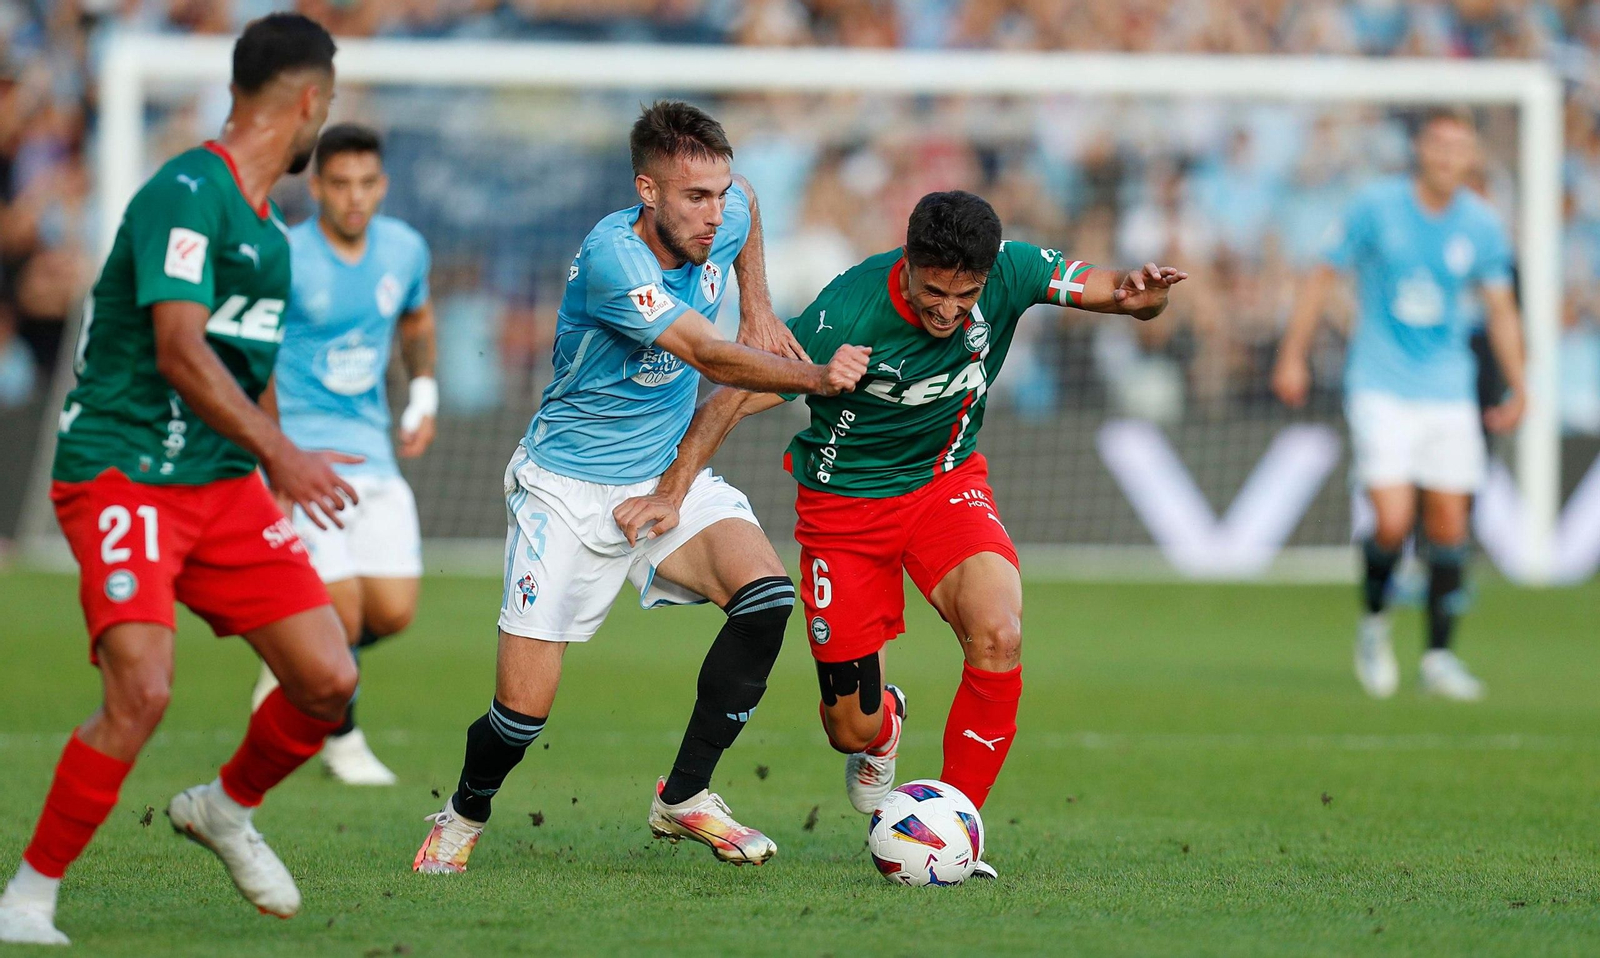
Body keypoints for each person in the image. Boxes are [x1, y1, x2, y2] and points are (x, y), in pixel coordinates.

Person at [614, 190, 1185, 878]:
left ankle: (954, 829)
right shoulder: (848, 309)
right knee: (847, 728)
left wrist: (1143, 297)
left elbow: (1122, 296)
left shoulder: (1015, 269)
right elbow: (738, 388)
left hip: (945, 485)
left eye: (964, 295)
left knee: (999, 631)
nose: (947, 310)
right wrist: (673, 487)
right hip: (843, 511)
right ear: (907, 263)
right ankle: (884, 727)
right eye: (932, 291)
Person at [413, 101, 870, 873]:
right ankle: (463, 812)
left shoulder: (723, 212)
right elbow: (709, 355)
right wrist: (813, 375)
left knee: (765, 603)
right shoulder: (613, 260)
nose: (714, 212)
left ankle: (685, 796)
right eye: (695, 196)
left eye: (717, 193)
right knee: (521, 717)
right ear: (646, 191)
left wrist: (758, 304)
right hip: (567, 490)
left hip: (666, 476)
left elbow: (751, 201)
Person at [0, 15, 353, 946]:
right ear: (310, 100)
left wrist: (273, 469)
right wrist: (282, 455)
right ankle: (28, 897)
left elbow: (247, 366)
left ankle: (225, 809)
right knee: (143, 689)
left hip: (222, 481)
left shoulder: (270, 234)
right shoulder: (184, 192)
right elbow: (180, 348)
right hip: (123, 473)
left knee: (327, 681)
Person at [1272, 109, 1525, 701]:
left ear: (1470, 159)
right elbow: (1321, 275)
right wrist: (1293, 355)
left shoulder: (1483, 225)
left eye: (1457, 148)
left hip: (1448, 388)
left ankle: (1438, 658)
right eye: (1437, 144)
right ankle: (1375, 622)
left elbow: (1501, 309)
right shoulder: (1376, 206)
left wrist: (1519, 383)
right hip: (1380, 383)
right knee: (1390, 519)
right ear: (1420, 149)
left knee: (1450, 526)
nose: (1445, 156)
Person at [252, 123, 437, 786]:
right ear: (317, 185)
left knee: (392, 613)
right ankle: (345, 742)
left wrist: (423, 392)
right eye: (340, 184)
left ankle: (289, 662)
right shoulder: (286, 256)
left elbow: (415, 319)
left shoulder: (404, 249)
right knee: (345, 615)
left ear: (382, 184)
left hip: (374, 459)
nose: (355, 197)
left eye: (367, 183)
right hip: (306, 464)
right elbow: (257, 359)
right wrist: (274, 457)